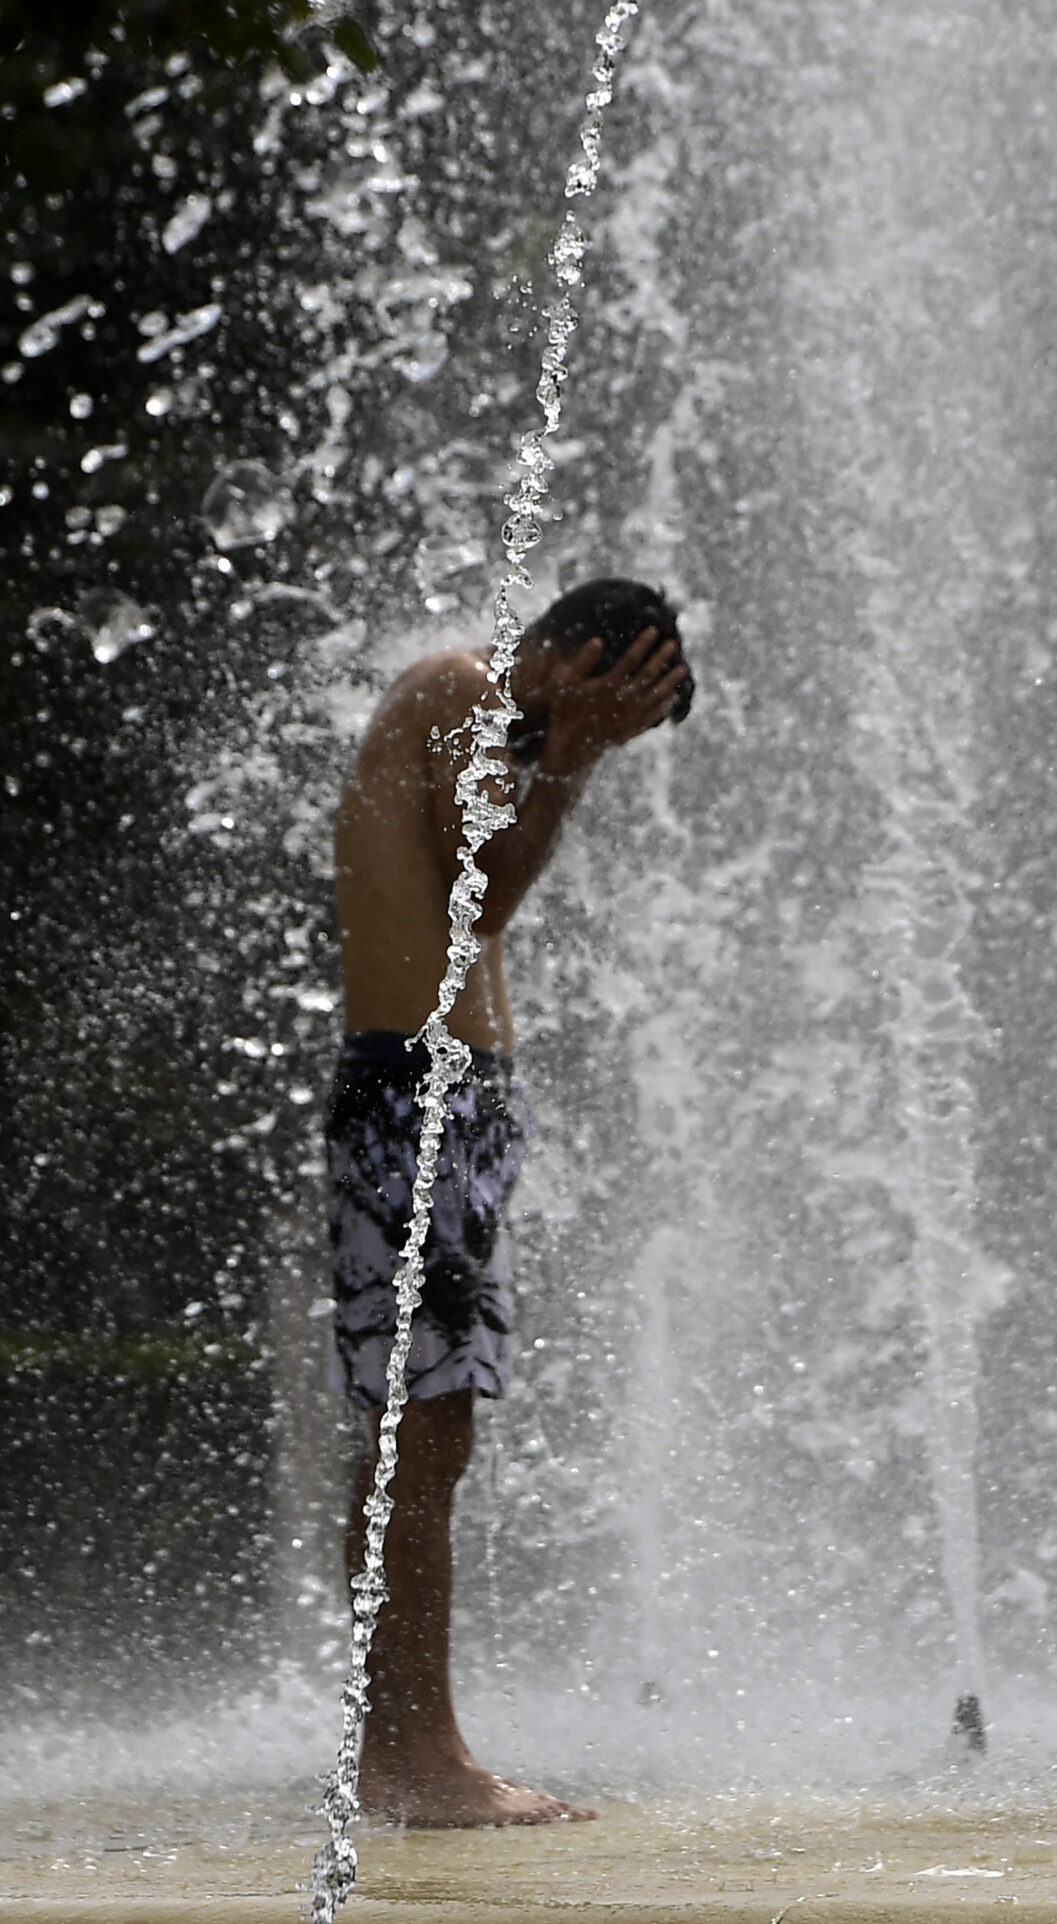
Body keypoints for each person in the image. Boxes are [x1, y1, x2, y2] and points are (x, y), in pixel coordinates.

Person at [328, 579, 691, 1826]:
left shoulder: (482, 708)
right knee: (413, 1434)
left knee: (430, 1433)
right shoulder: (462, 687)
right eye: (609, 702)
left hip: (450, 1097)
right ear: (586, 657)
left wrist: (573, 751)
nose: (585, 734)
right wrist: (573, 763)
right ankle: (417, 1764)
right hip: (413, 1093)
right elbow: (481, 898)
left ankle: (404, 1754)